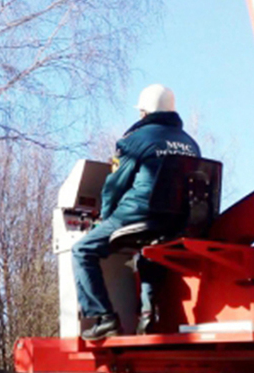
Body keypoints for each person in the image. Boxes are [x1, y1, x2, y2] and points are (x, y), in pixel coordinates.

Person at [72, 84, 201, 341]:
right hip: (177, 221)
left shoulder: (135, 140)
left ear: (143, 113)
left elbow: (114, 186)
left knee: (82, 250)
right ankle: (147, 318)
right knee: (150, 249)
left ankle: (104, 318)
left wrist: (105, 220)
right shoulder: (191, 143)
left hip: (139, 214)